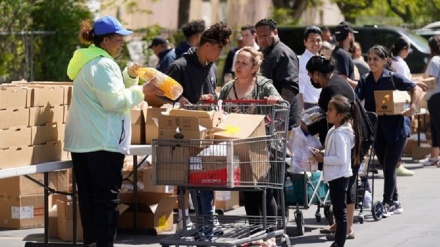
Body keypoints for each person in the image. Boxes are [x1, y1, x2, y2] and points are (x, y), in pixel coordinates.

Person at [64, 16, 162, 247]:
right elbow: (114, 102)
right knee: (107, 200)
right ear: (106, 40)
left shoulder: (91, 61)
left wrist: (129, 77)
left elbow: (109, 93)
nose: (121, 44)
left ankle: (92, 242)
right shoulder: (103, 64)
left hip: (85, 142)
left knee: (89, 198)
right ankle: (104, 243)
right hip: (102, 143)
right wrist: (143, 90)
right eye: (118, 39)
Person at [167, 21, 232, 239]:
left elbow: (212, 93)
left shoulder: (212, 68)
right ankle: (203, 223)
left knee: (207, 179)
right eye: (218, 49)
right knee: (196, 181)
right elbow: (161, 96)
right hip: (186, 135)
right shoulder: (180, 66)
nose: (220, 54)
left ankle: (207, 222)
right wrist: (179, 99)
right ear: (207, 46)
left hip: (209, 133)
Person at [215, 46, 281, 247]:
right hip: (238, 145)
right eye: (237, 62)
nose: (238, 66)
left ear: (254, 67)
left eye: (244, 63)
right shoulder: (228, 88)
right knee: (248, 191)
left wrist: (273, 100)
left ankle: (271, 233)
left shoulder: (263, 86)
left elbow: (280, 101)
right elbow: (219, 108)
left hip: (261, 145)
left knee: (264, 190)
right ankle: (255, 233)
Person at [355, 45, 422, 217]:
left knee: (390, 166)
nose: (371, 62)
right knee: (386, 167)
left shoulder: (393, 78)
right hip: (376, 130)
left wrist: (412, 108)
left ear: (385, 61)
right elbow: (356, 99)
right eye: (369, 59)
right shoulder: (365, 80)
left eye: (375, 59)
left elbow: (416, 89)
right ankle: (396, 200)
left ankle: (386, 203)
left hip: (397, 129)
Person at [300, 56, 357, 240]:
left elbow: (326, 121)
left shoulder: (330, 90)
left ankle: (345, 229)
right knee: (345, 190)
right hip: (355, 137)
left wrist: (309, 128)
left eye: (311, 75)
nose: (311, 80)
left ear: (317, 74)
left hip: (344, 154)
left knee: (344, 191)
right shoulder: (338, 80)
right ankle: (342, 226)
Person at [311, 95, 362, 247]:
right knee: (338, 211)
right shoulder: (336, 130)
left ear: (340, 116)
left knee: (340, 213)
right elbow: (334, 151)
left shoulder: (341, 134)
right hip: (335, 176)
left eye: (330, 110)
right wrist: (322, 152)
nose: (327, 112)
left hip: (339, 176)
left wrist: (323, 159)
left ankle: (339, 242)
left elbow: (341, 158)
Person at [255, 18, 301, 129]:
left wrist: (278, 119)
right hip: (270, 116)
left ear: (275, 32)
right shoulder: (266, 52)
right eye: (259, 36)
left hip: (284, 121)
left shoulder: (283, 54)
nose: (262, 39)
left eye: (265, 35)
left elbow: (289, 88)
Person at [390, 37, 417, 176]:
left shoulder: (393, 62)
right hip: (402, 101)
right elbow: (406, 83)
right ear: (404, 49)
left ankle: (397, 162)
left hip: (395, 100)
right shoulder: (401, 64)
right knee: (402, 133)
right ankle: (397, 163)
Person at [419, 35, 440, 166]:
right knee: (434, 127)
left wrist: (418, 82)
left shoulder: (434, 61)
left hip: (435, 97)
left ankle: (435, 155)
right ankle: (434, 155)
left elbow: (432, 80)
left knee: (437, 127)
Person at [299, 26, 323, 110]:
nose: (316, 43)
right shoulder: (303, 61)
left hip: (320, 104)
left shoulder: (320, 58)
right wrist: (302, 110)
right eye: (312, 40)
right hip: (308, 105)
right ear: (305, 42)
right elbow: (300, 88)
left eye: (318, 40)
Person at [332, 21, 358, 88]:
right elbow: (343, 79)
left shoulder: (336, 52)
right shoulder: (342, 54)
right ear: (349, 35)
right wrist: (360, 85)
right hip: (344, 96)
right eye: (353, 35)